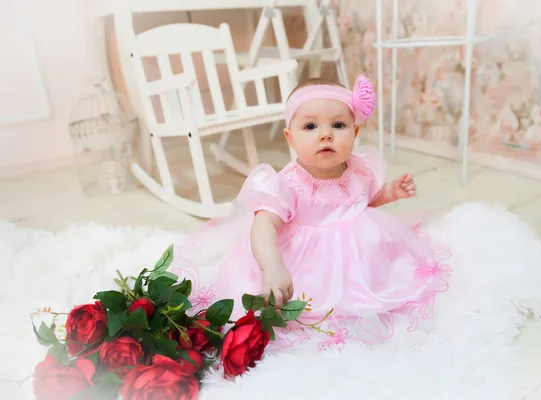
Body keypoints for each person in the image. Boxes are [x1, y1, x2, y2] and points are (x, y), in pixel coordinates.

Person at [172, 74, 453, 348]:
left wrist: (390, 192)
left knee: (394, 270)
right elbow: (263, 225)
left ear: (354, 132)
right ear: (290, 138)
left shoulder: (359, 168)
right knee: (312, 299)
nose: (326, 134)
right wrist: (272, 265)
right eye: (310, 127)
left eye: (339, 124)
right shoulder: (286, 183)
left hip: (358, 256)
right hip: (310, 263)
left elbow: (362, 202)